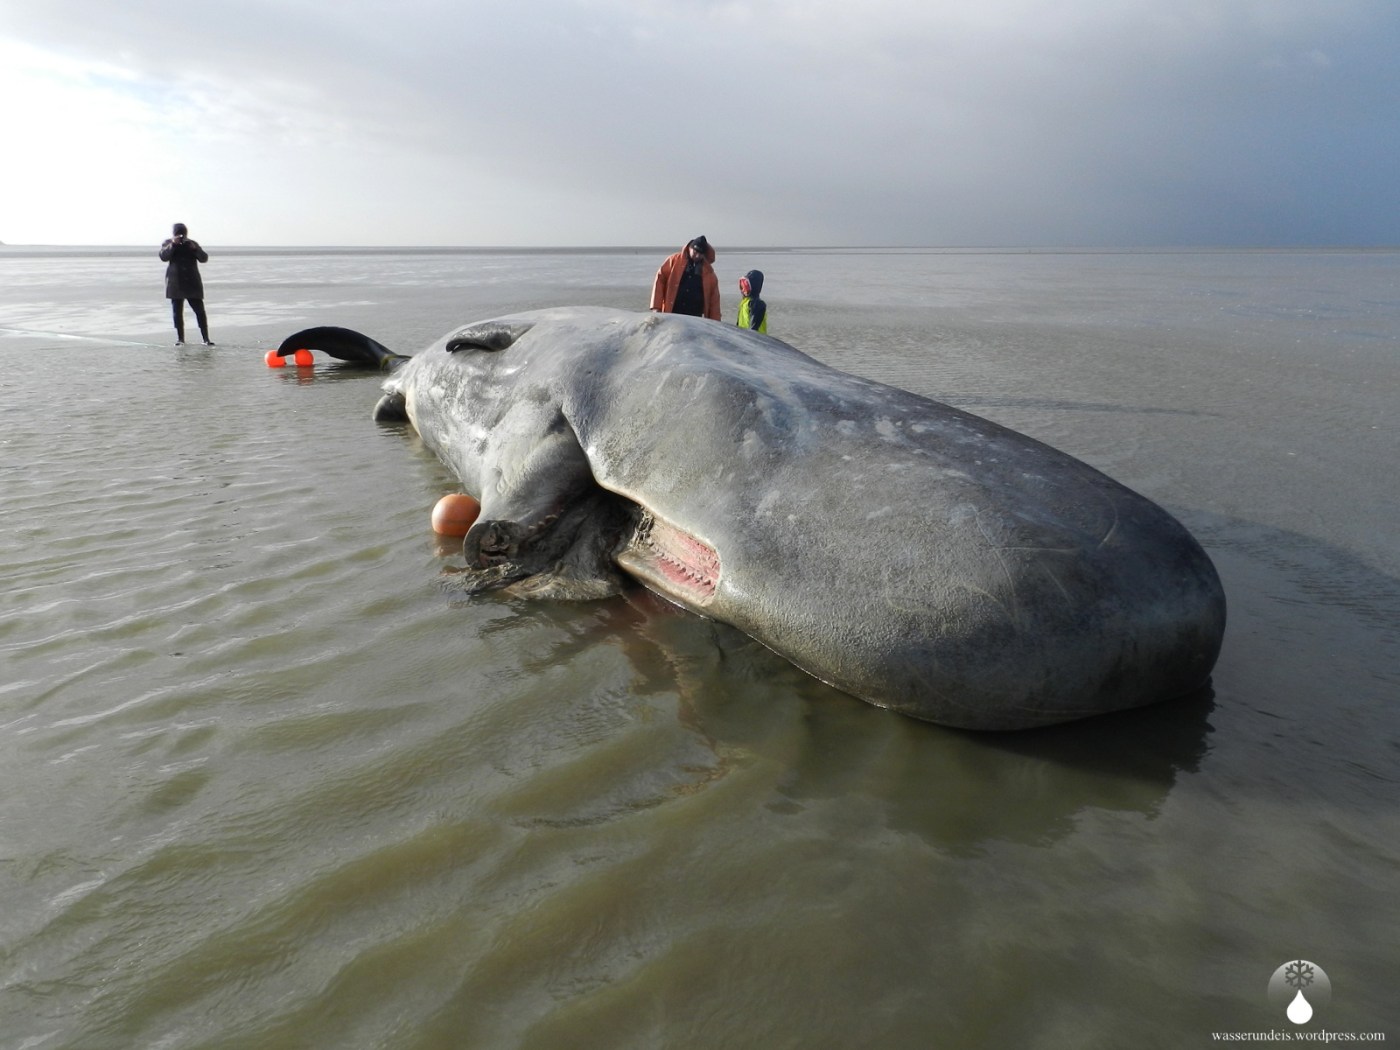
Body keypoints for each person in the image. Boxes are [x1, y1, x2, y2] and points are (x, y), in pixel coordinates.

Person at [159, 222, 213, 345]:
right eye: (178, 233)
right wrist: (173, 244)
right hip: (175, 283)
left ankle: (206, 338)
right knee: (177, 313)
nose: (181, 236)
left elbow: (204, 258)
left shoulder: (192, 244)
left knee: (200, 311)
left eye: (182, 233)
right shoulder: (168, 243)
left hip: (192, 282)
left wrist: (195, 249)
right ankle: (180, 339)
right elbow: (163, 256)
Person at [650, 235, 720, 320]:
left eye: (700, 254)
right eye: (695, 252)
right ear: (690, 248)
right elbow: (659, 282)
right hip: (673, 312)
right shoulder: (673, 261)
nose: (697, 256)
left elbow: (714, 301)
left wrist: (716, 322)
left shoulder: (709, 273)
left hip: (695, 316)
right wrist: (656, 307)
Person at [736, 269, 767, 333]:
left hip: (755, 338)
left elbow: (754, 329)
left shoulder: (758, 304)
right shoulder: (744, 303)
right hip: (743, 336)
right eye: (742, 285)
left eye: (745, 285)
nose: (743, 289)